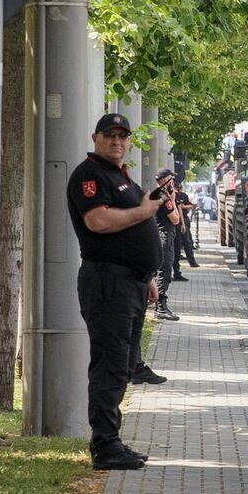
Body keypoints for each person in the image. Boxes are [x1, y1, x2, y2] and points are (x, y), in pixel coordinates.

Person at [67, 113, 168, 471]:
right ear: (95, 137)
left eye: (123, 136)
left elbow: (131, 233)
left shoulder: (120, 175)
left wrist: (147, 276)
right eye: (110, 135)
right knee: (110, 366)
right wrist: (143, 212)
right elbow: (99, 221)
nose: (117, 141)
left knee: (123, 365)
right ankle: (105, 447)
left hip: (131, 283)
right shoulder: (89, 175)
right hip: (108, 283)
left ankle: (112, 441)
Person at [151, 169, 184, 321]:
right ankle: (161, 307)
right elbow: (175, 220)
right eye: (172, 179)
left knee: (159, 271)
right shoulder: (165, 197)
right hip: (165, 236)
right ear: (166, 181)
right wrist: (173, 198)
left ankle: (160, 305)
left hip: (158, 236)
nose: (174, 183)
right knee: (164, 271)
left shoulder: (156, 194)